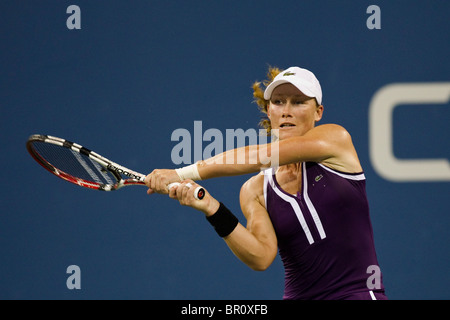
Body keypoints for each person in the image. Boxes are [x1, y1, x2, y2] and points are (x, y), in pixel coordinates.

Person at [145, 66, 387, 300]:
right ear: (268, 111)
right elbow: (260, 257)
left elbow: (260, 156)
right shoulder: (256, 190)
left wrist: (180, 173)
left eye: (299, 101)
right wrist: (211, 207)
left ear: (318, 112)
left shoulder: (336, 140)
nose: (286, 111)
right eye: (278, 102)